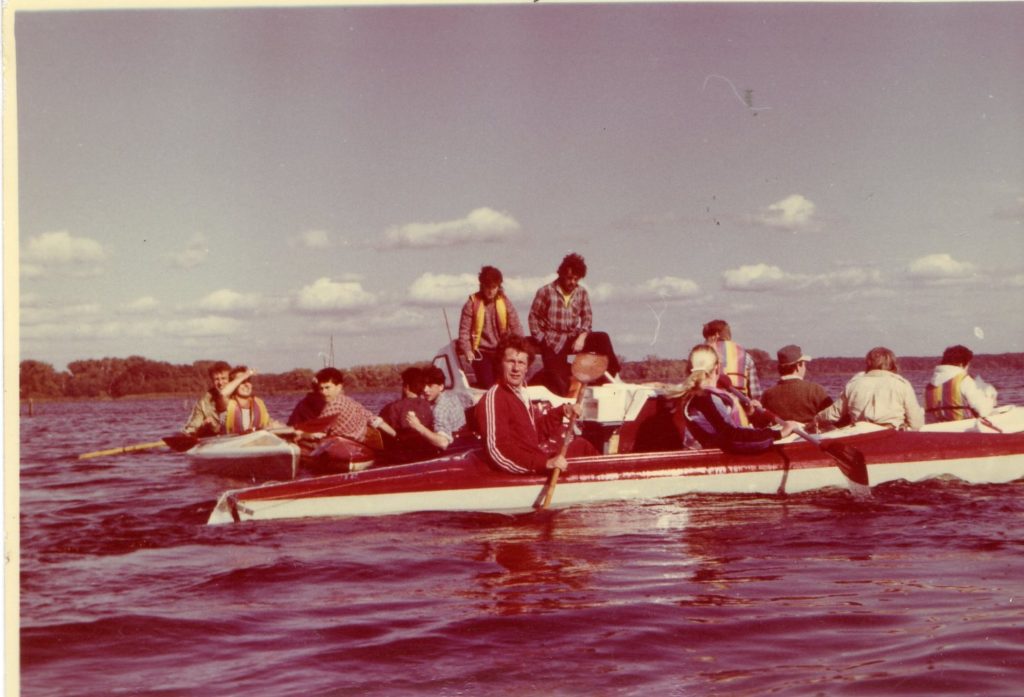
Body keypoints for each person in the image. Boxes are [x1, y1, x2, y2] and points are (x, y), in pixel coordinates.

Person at [476, 334, 597, 475]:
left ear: (527, 368)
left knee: (582, 446)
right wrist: (544, 464)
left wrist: (562, 412)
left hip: (534, 460)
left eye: (521, 363)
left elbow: (532, 435)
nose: (516, 368)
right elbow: (498, 451)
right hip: (523, 474)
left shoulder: (520, 394)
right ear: (500, 364)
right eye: (510, 361)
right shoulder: (495, 398)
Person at [678, 344, 800, 454]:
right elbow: (733, 436)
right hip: (716, 459)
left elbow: (723, 429)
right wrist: (779, 433)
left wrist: (749, 414)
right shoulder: (704, 399)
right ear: (717, 368)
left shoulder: (696, 397)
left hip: (713, 454)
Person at [528, 252, 620, 396]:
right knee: (560, 383)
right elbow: (533, 317)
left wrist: (582, 337)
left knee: (602, 338)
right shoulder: (545, 291)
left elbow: (587, 316)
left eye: (576, 279)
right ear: (562, 274)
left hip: (574, 337)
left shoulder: (581, 292)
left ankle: (611, 377)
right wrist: (541, 339)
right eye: (569, 278)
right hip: (552, 341)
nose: (572, 282)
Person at [816, 346, 924, 431]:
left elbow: (833, 414)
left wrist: (815, 419)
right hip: (891, 434)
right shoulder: (902, 384)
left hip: (861, 434)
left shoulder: (854, 384)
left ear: (868, 363)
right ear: (892, 364)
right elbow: (916, 424)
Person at [457, 265, 524, 388]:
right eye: (488, 287)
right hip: (480, 353)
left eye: (494, 287)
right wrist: (467, 350)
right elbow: (464, 332)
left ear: (498, 287)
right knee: (489, 385)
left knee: (507, 384)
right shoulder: (471, 304)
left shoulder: (505, 302)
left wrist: (520, 348)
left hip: (502, 351)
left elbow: (516, 327)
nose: (491, 291)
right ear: (482, 285)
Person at [305, 367, 396, 443]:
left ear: (339, 387)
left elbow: (317, 432)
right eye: (321, 389)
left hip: (347, 446)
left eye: (327, 388)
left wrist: (302, 435)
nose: (323, 392)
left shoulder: (332, 406)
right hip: (363, 441)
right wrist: (396, 436)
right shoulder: (349, 401)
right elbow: (375, 420)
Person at [378, 367, 440, 462]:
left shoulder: (393, 408)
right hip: (427, 453)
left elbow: (381, 433)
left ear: (406, 386)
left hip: (404, 456)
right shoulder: (429, 405)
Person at [406, 365, 474, 451]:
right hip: (464, 440)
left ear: (441, 387)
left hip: (451, 449)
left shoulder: (439, 409)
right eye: (423, 385)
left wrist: (418, 426)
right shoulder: (453, 395)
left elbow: (443, 443)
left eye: (430, 385)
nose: (425, 389)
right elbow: (470, 401)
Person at [761, 344, 833, 425]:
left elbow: (762, 423)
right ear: (798, 366)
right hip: (809, 432)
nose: (805, 368)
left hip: (781, 432)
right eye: (804, 364)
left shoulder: (767, 394)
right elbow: (832, 418)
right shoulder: (815, 390)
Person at [925, 345, 997, 422]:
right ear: (961, 364)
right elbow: (984, 411)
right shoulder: (964, 380)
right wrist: (990, 399)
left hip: (937, 427)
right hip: (963, 426)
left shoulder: (929, 386)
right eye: (968, 365)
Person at [702, 319, 762, 401]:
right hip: (739, 402)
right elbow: (756, 394)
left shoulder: (702, 355)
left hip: (710, 400)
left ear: (716, 335)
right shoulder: (746, 356)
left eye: (706, 338)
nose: (705, 341)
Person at [218, 366, 284, 434]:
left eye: (248, 381)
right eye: (242, 382)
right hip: (231, 439)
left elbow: (270, 423)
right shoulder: (226, 403)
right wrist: (247, 374)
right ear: (235, 384)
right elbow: (223, 393)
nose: (246, 385)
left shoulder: (259, 403)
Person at [182, 361, 231, 437]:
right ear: (212, 381)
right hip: (215, 438)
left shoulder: (239, 394)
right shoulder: (203, 402)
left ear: (230, 379)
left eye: (223, 378)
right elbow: (192, 428)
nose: (220, 383)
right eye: (216, 379)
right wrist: (204, 425)